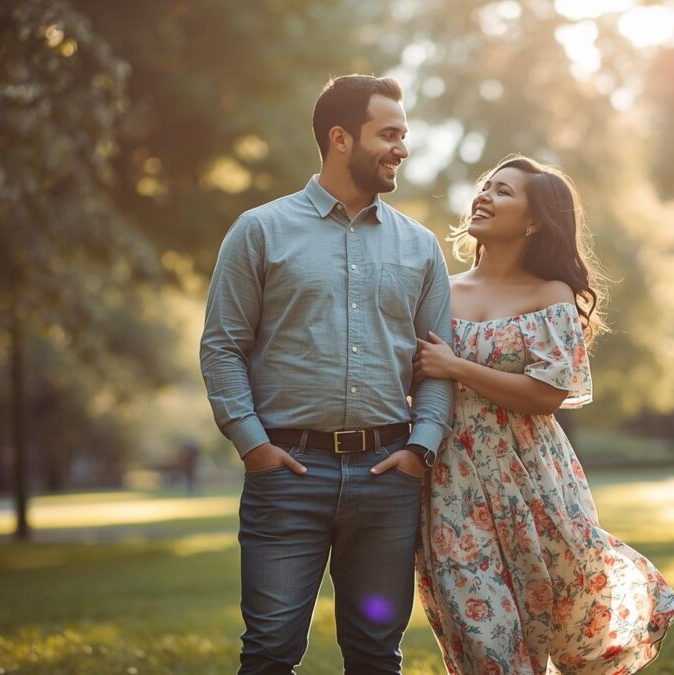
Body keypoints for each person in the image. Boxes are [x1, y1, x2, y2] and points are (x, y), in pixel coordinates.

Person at [200, 74, 454, 675]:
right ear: (340, 138)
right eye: (388, 134)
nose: (402, 147)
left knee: (375, 656)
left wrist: (422, 447)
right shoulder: (259, 231)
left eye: (404, 134)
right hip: (287, 473)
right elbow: (222, 347)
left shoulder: (420, 247)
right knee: (269, 651)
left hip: (387, 474)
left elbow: (437, 363)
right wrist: (252, 443)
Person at [413, 156, 674, 673]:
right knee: (482, 630)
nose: (485, 196)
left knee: (549, 613)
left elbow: (545, 395)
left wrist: (455, 366)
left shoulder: (551, 296)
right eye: (485, 187)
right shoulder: (437, 290)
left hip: (533, 480)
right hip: (452, 480)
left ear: (534, 220)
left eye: (504, 192)